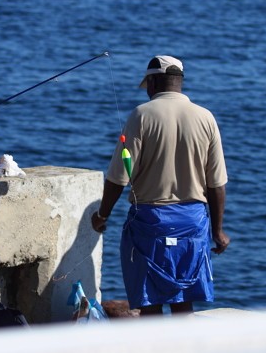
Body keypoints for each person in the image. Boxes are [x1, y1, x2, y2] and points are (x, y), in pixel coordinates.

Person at [91, 55, 230, 316]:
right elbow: (216, 184)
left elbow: (118, 177)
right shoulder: (205, 117)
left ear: (154, 81)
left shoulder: (141, 115)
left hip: (150, 222)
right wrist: (218, 231)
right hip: (192, 223)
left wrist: (102, 216)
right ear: (180, 82)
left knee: (149, 303)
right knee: (183, 301)